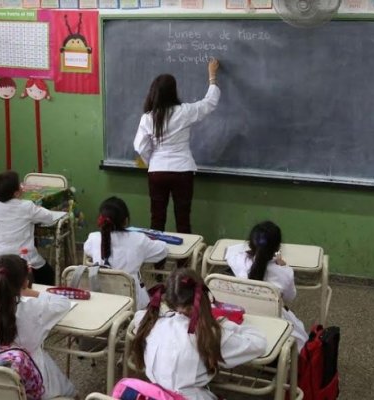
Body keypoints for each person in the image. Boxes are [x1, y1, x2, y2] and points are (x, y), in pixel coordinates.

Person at [132, 268, 266, 400]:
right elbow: (259, 343)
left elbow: (139, 316)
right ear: (204, 298)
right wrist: (226, 324)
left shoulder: (152, 323)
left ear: (168, 300)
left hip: (153, 395)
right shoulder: (210, 334)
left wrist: (167, 314)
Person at [0, 254, 75, 399]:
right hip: (34, 380)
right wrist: (30, 292)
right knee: (69, 391)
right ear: (25, 283)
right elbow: (63, 303)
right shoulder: (35, 307)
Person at [133, 58, 221, 234]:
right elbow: (209, 103)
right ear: (173, 92)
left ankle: (158, 261)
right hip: (182, 171)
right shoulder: (184, 112)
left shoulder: (148, 117)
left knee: (157, 219)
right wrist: (212, 77)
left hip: (157, 172)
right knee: (183, 220)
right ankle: (184, 261)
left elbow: (140, 146)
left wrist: (152, 161)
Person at [225, 221, 308, 351]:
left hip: (242, 319)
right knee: (301, 333)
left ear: (250, 244)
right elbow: (290, 297)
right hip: (273, 321)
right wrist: (283, 266)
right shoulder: (284, 272)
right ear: (277, 247)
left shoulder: (238, 261)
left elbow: (230, 253)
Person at [83, 196, 168, 309]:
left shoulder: (94, 238)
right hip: (133, 304)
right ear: (126, 221)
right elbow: (162, 250)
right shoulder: (139, 239)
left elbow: (87, 249)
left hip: (102, 301)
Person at [0, 170, 58, 285]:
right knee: (48, 274)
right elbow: (49, 218)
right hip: (25, 257)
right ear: (16, 193)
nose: (22, 186)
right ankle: (39, 296)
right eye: (20, 185)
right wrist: (37, 208)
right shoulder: (26, 206)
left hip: (1, 258)